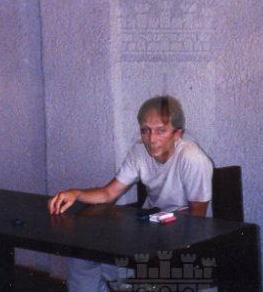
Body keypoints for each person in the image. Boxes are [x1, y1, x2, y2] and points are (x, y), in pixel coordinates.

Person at [48, 95, 213, 292]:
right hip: (147, 234)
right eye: (145, 130)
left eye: (161, 130)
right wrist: (76, 194)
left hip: (183, 244)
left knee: (132, 271)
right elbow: (109, 193)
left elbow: (197, 219)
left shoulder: (192, 158)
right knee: (80, 257)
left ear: (178, 133)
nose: (151, 139)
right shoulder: (139, 151)